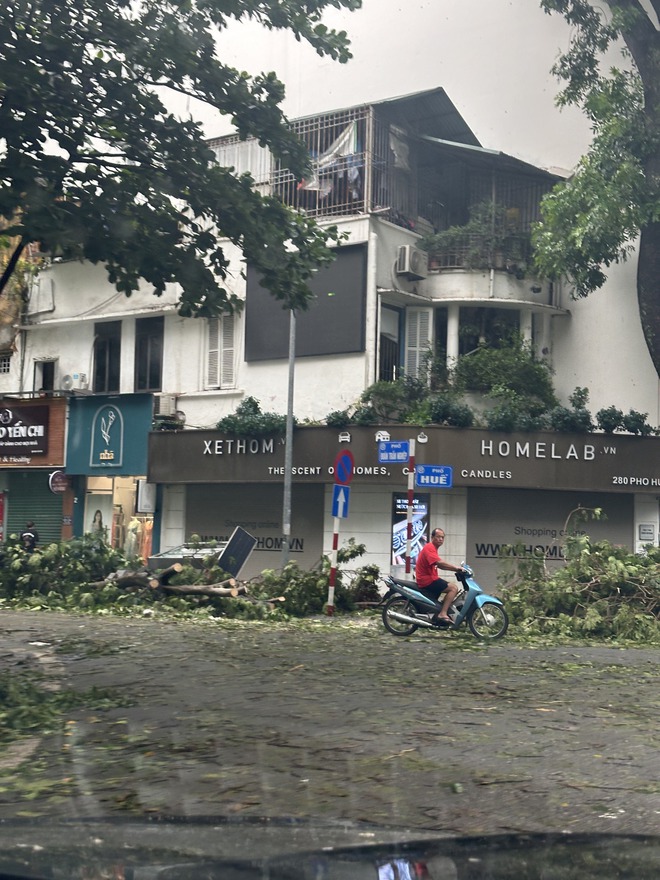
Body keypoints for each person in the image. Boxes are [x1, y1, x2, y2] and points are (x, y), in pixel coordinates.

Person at [415, 528, 463, 623]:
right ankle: (443, 613)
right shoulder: (430, 548)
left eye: (442, 537)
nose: (440, 539)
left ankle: (440, 608)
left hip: (431, 578)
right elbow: (440, 563)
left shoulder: (433, 549)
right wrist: (456, 568)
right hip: (427, 580)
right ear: (432, 537)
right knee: (453, 588)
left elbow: (441, 566)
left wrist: (455, 569)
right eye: (438, 537)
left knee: (450, 586)